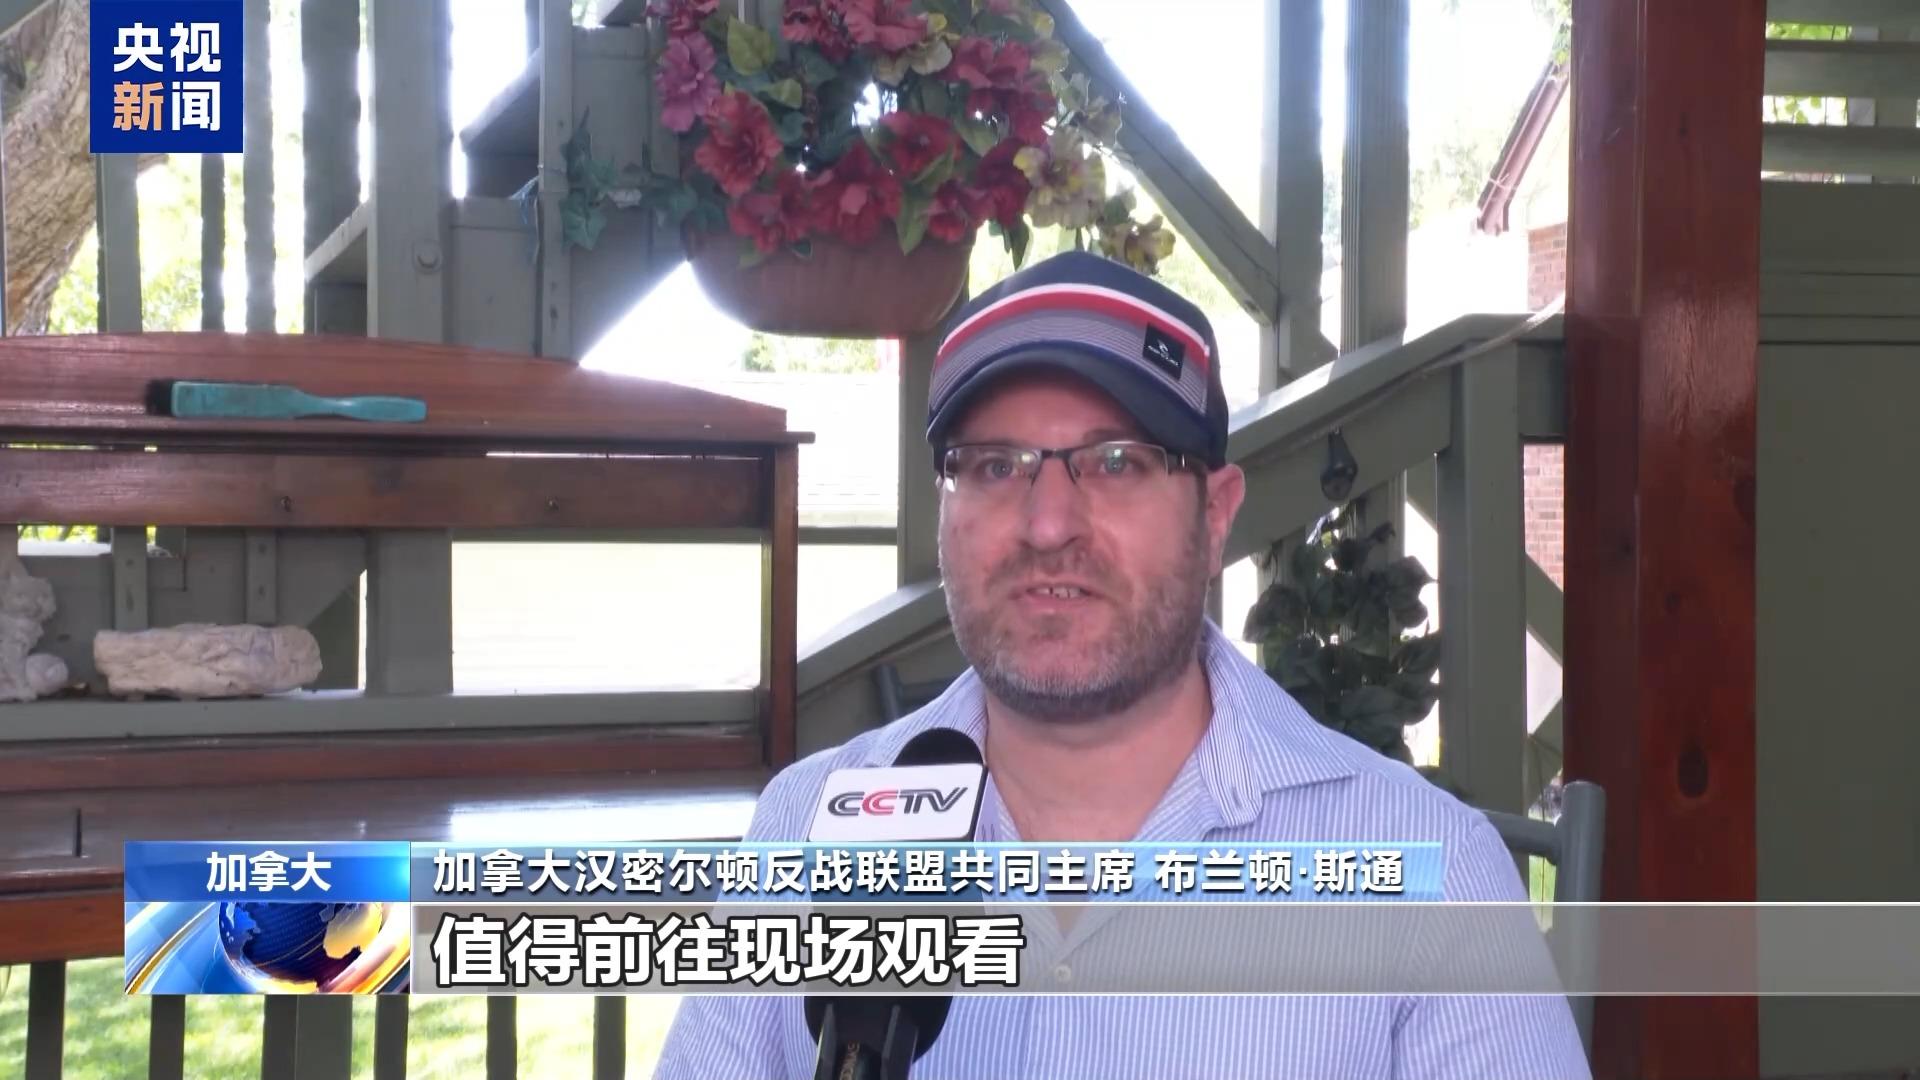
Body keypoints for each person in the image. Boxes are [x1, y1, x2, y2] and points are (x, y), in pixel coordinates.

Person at [652, 251, 1591, 1079]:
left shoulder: (1431, 876)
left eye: (1116, 462)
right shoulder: (809, 830)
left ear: (1215, 514)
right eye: (994, 465)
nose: (1047, 524)